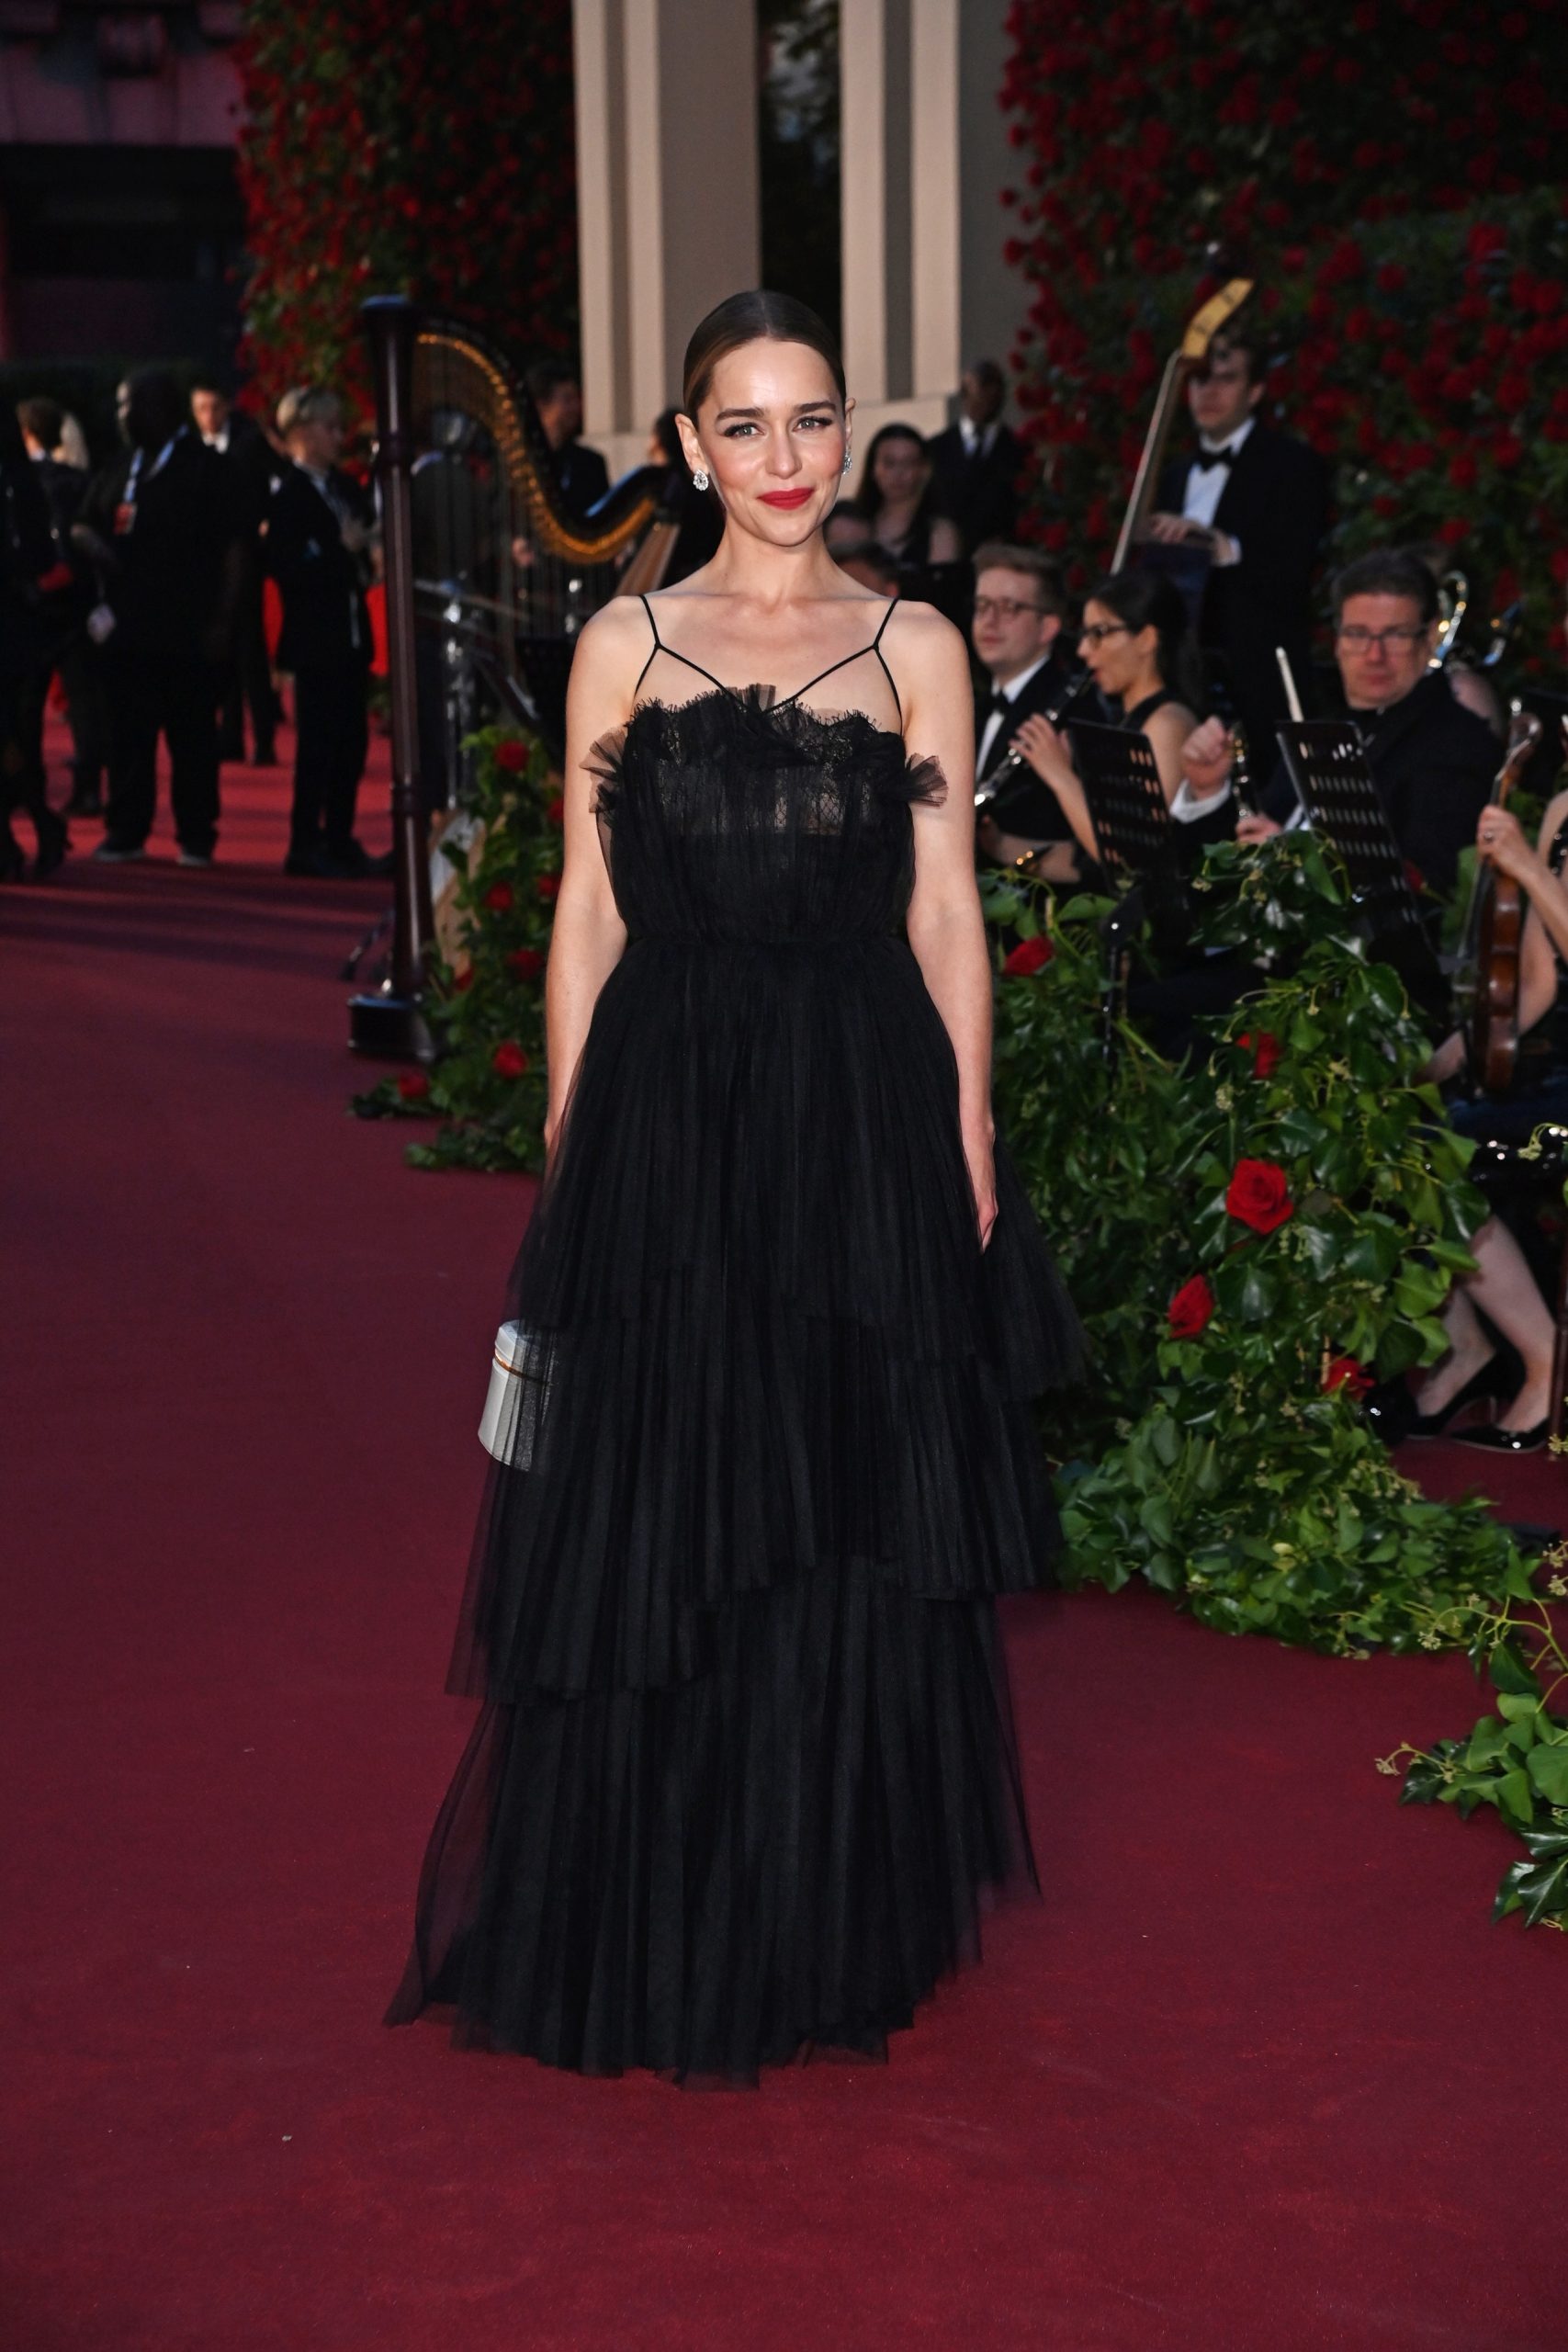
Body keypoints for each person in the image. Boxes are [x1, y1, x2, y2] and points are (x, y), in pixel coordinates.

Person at [385, 288, 1081, 2082]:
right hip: (673, 1105)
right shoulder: (622, 639)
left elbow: (946, 908)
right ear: (690, 446)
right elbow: (583, 914)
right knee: (675, 1493)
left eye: (812, 419)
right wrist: (573, 1143)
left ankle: (823, 1901)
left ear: (845, 435)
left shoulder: (915, 640)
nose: (785, 458)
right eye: (747, 425)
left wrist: (968, 1126)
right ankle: (665, 1897)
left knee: (842, 1494)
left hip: (859, 1102)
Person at [1175, 548, 1496, 900]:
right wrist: (1208, 792)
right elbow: (1233, 857)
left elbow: (1429, 889)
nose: (1374, 655)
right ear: (1338, 641)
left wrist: (1298, 867)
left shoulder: (1457, 744)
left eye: (1395, 635)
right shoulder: (1321, 729)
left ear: (1429, 637)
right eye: (1357, 634)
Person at [79, 368, 244, 867]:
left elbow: (235, 549)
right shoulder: (120, 467)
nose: (122, 416)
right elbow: (84, 521)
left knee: (192, 738)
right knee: (127, 737)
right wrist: (92, 546)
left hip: (189, 631)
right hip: (126, 632)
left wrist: (223, 621)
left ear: (163, 409)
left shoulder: (208, 469)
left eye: (130, 405)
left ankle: (196, 834)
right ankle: (126, 829)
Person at [1146, 323, 1329, 753]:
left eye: (1226, 379)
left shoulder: (1292, 465)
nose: (1208, 392)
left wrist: (1221, 546)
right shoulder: (1172, 475)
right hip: (1183, 675)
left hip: (1256, 673)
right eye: (1199, 380)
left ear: (1255, 391)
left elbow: (1295, 565)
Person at [1000, 567, 1201, 873]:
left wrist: (1059, 775)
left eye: (1099, 634)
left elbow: (1130, 859)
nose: (1083, 650)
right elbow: (1085, 866)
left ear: (1146, 639)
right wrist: (997, 843)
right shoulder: (1127, 721)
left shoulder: (1168, 724)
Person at [266, 387, 377, 878]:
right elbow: (288, 567)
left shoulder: (344, 487)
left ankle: (339, 836)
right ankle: (304, 841)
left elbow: (362, 544)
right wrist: (339, 549)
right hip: (315, 639)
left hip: (350, 635)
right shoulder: (288, 495)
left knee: (351, 743)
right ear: (302, 433)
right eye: (329, 428)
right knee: (317, 745)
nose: (338, 437)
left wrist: (363, 553)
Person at [18, 395, 109, 823]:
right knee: (84, 704)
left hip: (30, 609)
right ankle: (88, 789)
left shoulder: (16, 481)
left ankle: (26, 789)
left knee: (25, 707)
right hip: (75, 607)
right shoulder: (80, 481)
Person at [970, 543, 1083, 880]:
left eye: (1009, 608)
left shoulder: (1074, 711)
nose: (989, 620)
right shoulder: (970, 704)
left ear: (1047, 627)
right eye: (982, 605)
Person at [191, 376, 281, 765]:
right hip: (209, 563)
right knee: (220, 650)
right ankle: (229, 737)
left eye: (214, 408)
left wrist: (267, 522)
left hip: (245, 557)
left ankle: (263, 739)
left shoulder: (249, 443)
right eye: (201, 409)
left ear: (227, 407)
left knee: (250, 649)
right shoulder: (191, 450)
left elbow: (280, 479)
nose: (208, 416)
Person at [0, 399, 69, 880]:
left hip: (13, 626)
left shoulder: (19, 484)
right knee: (13, 736)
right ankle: (35, 826)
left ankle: (33, 827)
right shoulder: (22, 481)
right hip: (20, 624)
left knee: (14, 736)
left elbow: (39, 555)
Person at [828, 421, 964, 571]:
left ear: (924, 470)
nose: (898, 473)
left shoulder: (940, 532)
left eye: (908, 463)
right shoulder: (852, 522)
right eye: (889, 463)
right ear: (873, 468)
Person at [926, 360, 1030, 553]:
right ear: (965, 391)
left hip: (1001, 554)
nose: (992, 392)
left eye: (998, 385)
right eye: (984, 383)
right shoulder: (935, 449)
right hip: (949, 555)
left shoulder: (1020, 449)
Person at [525, 360, 610, 521]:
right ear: (542, 406)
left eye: (576, 399)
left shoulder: (592, 464)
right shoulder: (521, 462)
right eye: (567, 400)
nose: (576, 407)